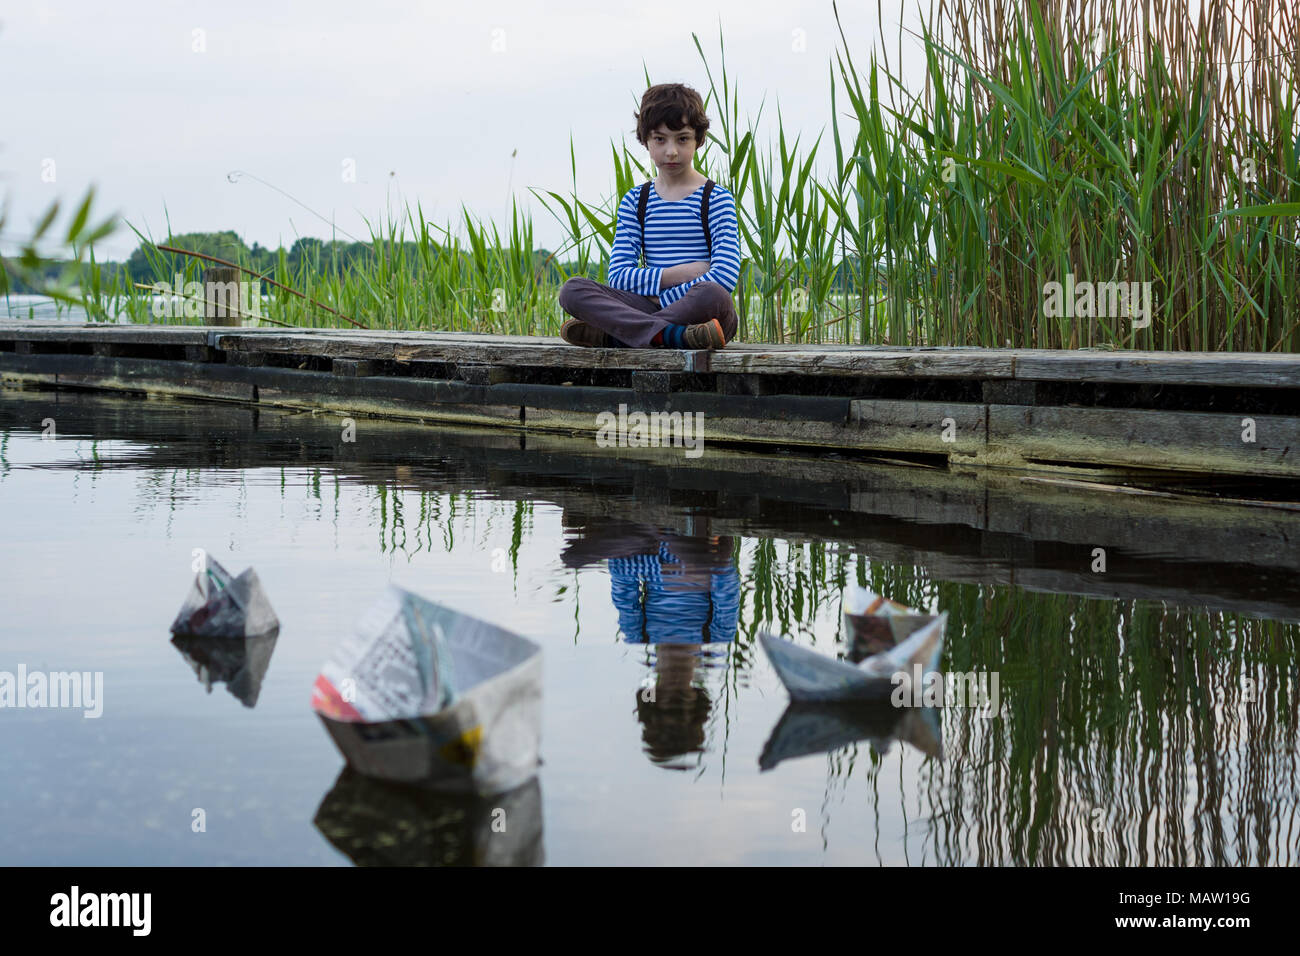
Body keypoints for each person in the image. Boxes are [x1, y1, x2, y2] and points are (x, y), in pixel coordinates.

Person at [558, 82, 742, 351]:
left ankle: (620, 336)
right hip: (655, 309)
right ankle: (671, 336)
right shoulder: (636, 201)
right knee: (572, 290)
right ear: (645, 140)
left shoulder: (716, 199)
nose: (671, 151)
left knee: (712, 293)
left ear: (699, 140)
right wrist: (675, 274)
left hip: (704, 314)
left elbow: (724, 276)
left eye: (682, 138)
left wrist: (661, 299)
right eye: (660, 139)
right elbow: (619, 276)